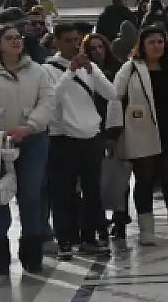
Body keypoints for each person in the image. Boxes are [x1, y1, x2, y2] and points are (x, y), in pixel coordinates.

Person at [0, 23, 55, 273]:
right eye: (10, 38)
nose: (16, 42)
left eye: (18, 38)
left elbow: (47, 101)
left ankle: (31, 250)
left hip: (32, 140)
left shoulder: (37, 71)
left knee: (30, 194)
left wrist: (30, 126)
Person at [107, 24, 168, 245]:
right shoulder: (130, 69)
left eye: (160, 42)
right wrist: (114, 130)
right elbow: (115, 98)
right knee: (144, 180)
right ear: (143, 45)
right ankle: (146, 230)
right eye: (152, 42)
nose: (157, 46)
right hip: (141, 131)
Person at [43, 21, 115, 259]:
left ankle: (90, 237)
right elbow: (52, 99)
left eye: (77, 40)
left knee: (92, 191)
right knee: (63, 192)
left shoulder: (89, 66)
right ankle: (65, 239)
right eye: (68, 41)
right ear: (57, 42)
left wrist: (93, 70)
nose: (74, 45)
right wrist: (70, 71)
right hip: (62, 138)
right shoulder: (48, 69)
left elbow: (112, 94)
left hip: (90, 136)